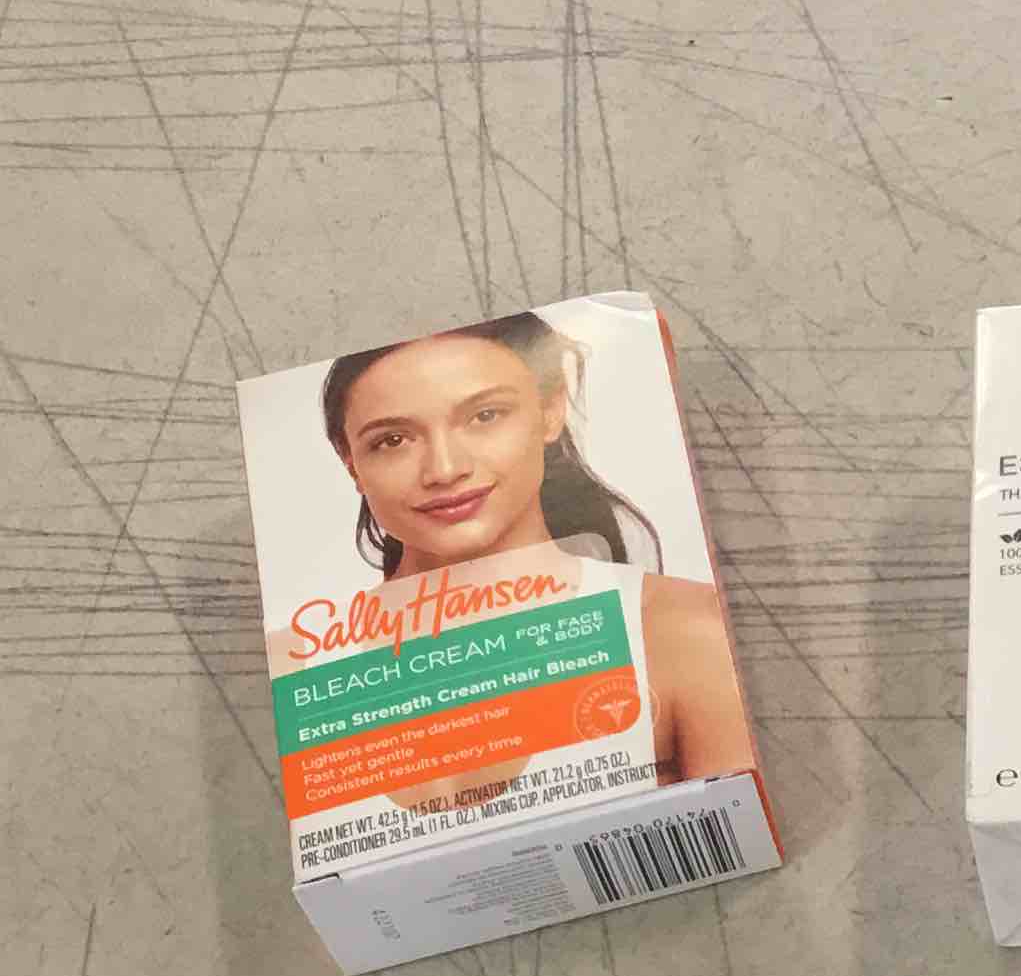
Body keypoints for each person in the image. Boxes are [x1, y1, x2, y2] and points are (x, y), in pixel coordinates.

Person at [319, 313, 754, 790]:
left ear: (550, 410)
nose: (444, 469)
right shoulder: (306, 671)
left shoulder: (682, 631)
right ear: (351, 462)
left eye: (485, 416)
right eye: (393, 440)